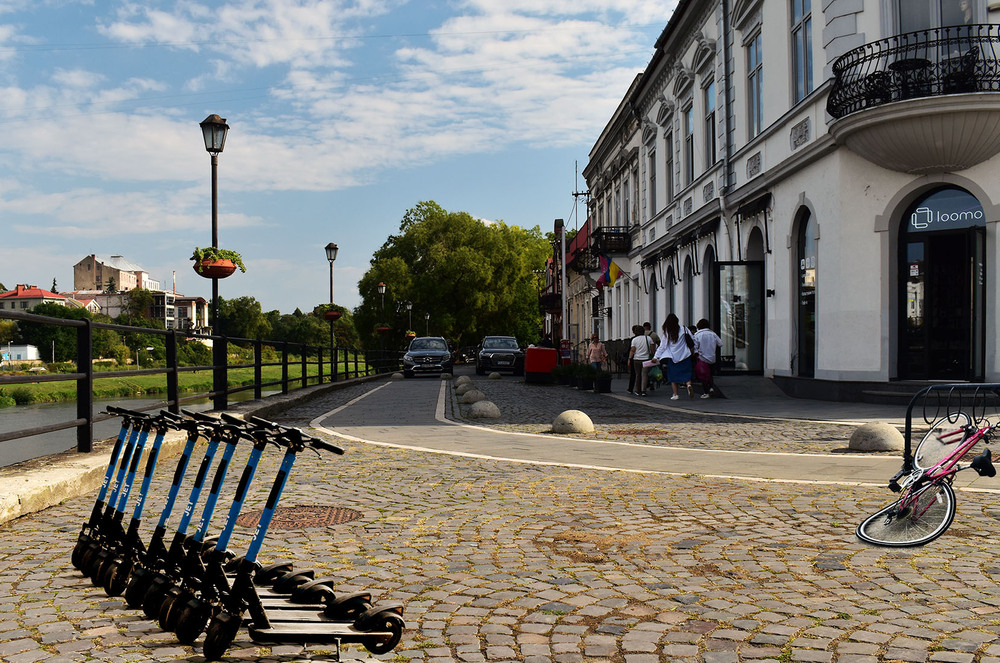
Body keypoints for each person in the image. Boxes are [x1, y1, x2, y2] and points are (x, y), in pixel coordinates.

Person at [653, 313, 694, 400]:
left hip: (673, 357)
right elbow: (693, 339)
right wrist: (695, 350)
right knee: (686, 373)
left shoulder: (667, 332)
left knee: (673, 376)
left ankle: (675, 394)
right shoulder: (684, 328)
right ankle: (689, 384)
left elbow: (662, 346)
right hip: (685, 355)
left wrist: (656, 356)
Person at [693, 318, 723, 398]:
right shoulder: (713, 334)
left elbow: (695, 347)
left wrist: (696, 353)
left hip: (702, 358)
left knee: (703, 376)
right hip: (712, 357)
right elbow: (720, 343)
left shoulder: (697, 335)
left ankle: (706, 393)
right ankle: (711, 388)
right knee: (710, 374)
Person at [627, 324, 654, 396]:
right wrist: (654, 356)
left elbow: (632, 350)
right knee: (644, 374)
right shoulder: (648, 338)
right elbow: (652, 349)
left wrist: (629, 359)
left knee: (638, 375)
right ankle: (643, 390)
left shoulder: (634, 340)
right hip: (646, 359)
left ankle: (637, 390)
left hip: (637, 359)